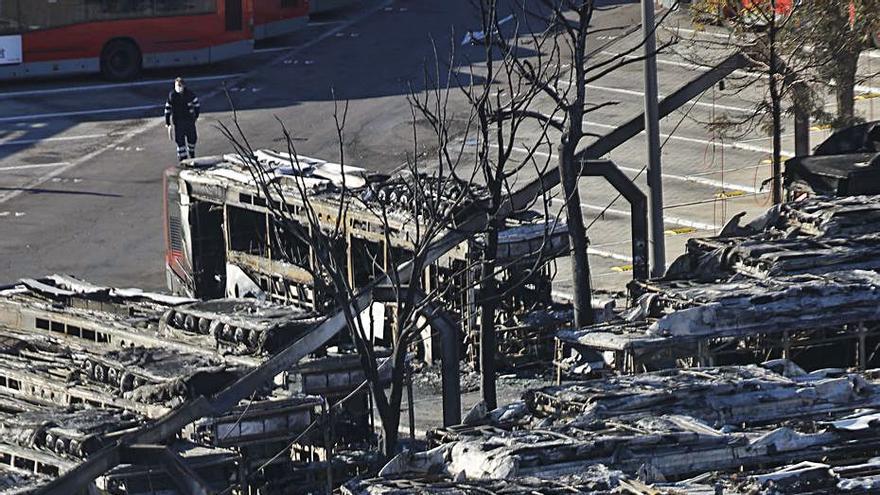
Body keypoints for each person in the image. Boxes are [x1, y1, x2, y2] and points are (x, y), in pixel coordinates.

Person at [164, 77, 200, 161]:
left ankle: (192, 154)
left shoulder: (189, 94)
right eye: (177, 85)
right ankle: (183, 159)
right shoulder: (172, 95)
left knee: (192, 138)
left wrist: (196, 116)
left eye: (180, 85)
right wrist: (167, 122)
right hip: (178, 121)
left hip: (189, 120)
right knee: (180, 141)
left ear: (184, 85)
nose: (178, 87)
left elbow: (196, 105)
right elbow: (167, 108)